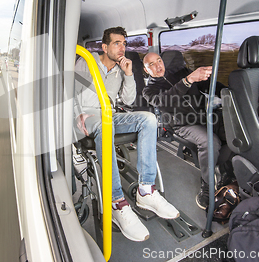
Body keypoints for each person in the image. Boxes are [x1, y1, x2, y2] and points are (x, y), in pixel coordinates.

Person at [74, 27, 179, 242]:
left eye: (124, 43)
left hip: (108, 116)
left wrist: (129, 75)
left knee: (148, 119)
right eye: (117, 43)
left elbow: (129, 101)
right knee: (105, 125)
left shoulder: (123, 68)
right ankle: (116, 203)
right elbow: (69, 92)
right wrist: (77, 115)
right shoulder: (87, 61)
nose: (122, 48)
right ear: (104, 47)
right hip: (86, 117)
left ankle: (146, 191)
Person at [142, 52, 233, 210]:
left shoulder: (181, 73)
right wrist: (188, 80)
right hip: (181, 124)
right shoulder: (150, 90)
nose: (157, 66)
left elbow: (208, 85)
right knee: (210, 141)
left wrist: (229, 93)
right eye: (151, 64)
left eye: (159, 60)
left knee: (233, 131)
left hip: (203, 117)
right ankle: (207, 187)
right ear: (146, 70)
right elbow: (164, 102)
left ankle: (226, 172)